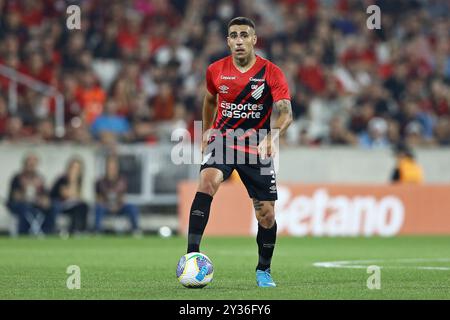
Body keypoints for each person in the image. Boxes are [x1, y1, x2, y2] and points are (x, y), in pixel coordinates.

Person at [185, 17, 293, 287]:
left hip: (256, 146)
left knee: (266, 214)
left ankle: (263, 270)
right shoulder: (216, 70)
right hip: (222, 141)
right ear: (228, 41)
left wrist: (273, 135)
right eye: (234, 35)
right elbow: (210, 98)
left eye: (244, 35)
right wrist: (207, 129)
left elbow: (286, 113)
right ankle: (191, 256)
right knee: (207, 183)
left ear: (254, 40)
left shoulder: (271, 72)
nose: (239, 40)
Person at [7, 153, 52, 235]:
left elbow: (45, 196)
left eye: (33, 163)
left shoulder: (40, 179)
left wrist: (42, 200)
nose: (31, 165)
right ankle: (23, 233)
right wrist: (26, 191)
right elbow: (15, 196)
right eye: (29, 163)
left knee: (52, 207)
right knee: (25, 208)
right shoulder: (17, 178)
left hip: (36, 204)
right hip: (20, 204)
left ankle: (48, 232)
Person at [94, 155, 140, 234]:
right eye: (109, 167)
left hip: (119, 207)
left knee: (132, 208)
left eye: (113, 167)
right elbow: (98, 199)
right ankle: (97, 231)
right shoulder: (100, 182)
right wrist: (108, 205)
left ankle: (135, 230)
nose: (111, 169)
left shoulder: (122, 181)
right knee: (99, 208)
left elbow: (123, 198)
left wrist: (117, 205)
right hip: (106, 207)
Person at [50, 157, 89, 235]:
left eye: (77, 169)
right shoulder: (62, 179)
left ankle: (79, 230)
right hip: (59, 205)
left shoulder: (80, 180)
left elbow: (79, 197)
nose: (75, 171)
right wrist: (72, 180)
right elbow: (66, 195)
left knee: (83, 206)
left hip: (72, 206)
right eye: (74, 168)